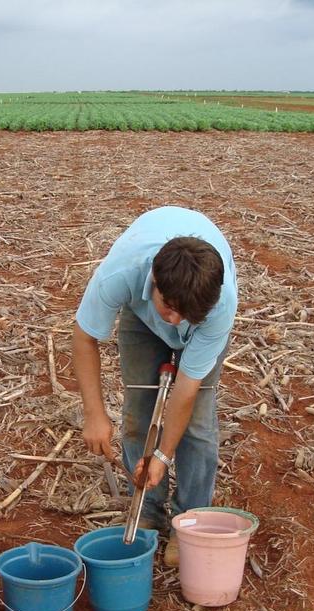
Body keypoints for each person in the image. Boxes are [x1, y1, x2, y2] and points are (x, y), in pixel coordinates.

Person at [72, 206, 237, 566]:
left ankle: (189, 522)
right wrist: (94, 414)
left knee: (198, 423)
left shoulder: (218, 305)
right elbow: (85, 336)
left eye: (187, 315)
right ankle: (147, 510)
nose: (176, 322)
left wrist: (163, 455)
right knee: (139, 412)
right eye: (169, 307)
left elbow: (186, 389)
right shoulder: (121, 274)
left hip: (199, 320)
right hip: (140, 316)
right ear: (154, 283)